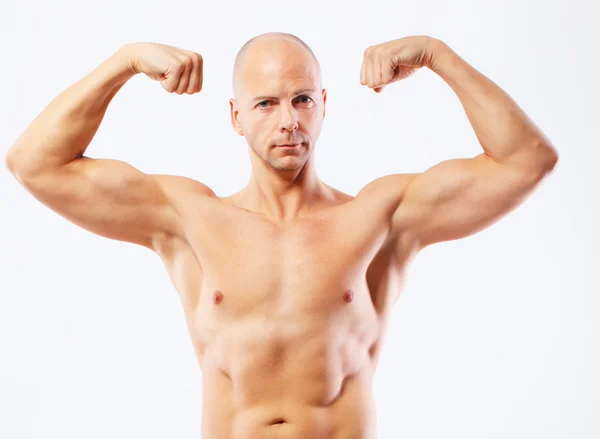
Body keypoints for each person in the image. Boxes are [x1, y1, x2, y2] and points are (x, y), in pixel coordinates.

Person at [5, 32, 558, 439]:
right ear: (236, 116)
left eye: (301, 99)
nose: (287, 120)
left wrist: (438, 55)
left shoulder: (381, 215)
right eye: (266, 103)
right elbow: (35, 164)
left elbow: (526, 161)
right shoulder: (187, 217)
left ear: (323, 107)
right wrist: (124, 61)